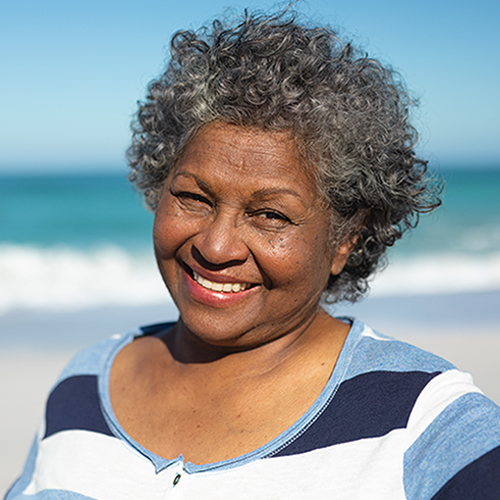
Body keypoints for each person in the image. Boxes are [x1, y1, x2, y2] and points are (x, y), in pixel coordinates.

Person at [6, 7, 500, 500]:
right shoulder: (82, 385)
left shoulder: (423, 421)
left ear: (347, 237)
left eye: (270, 215)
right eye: (194, 198)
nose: (215, 247)